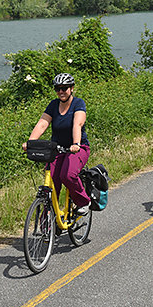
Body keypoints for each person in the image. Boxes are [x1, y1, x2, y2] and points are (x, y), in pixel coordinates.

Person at [23, 73, 92, 214]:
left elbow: (77, 124)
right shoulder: (53, 105)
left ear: (72, 88)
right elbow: (42, 124)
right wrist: (30, 142)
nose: (61, 91)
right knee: (51, 183)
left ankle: (83, 202)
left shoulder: (78, 103)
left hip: (78, 149)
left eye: (64, 88)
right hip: (57, 149)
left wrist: (76, 143)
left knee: (68, 175)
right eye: (57, 88)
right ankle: (48, 225)